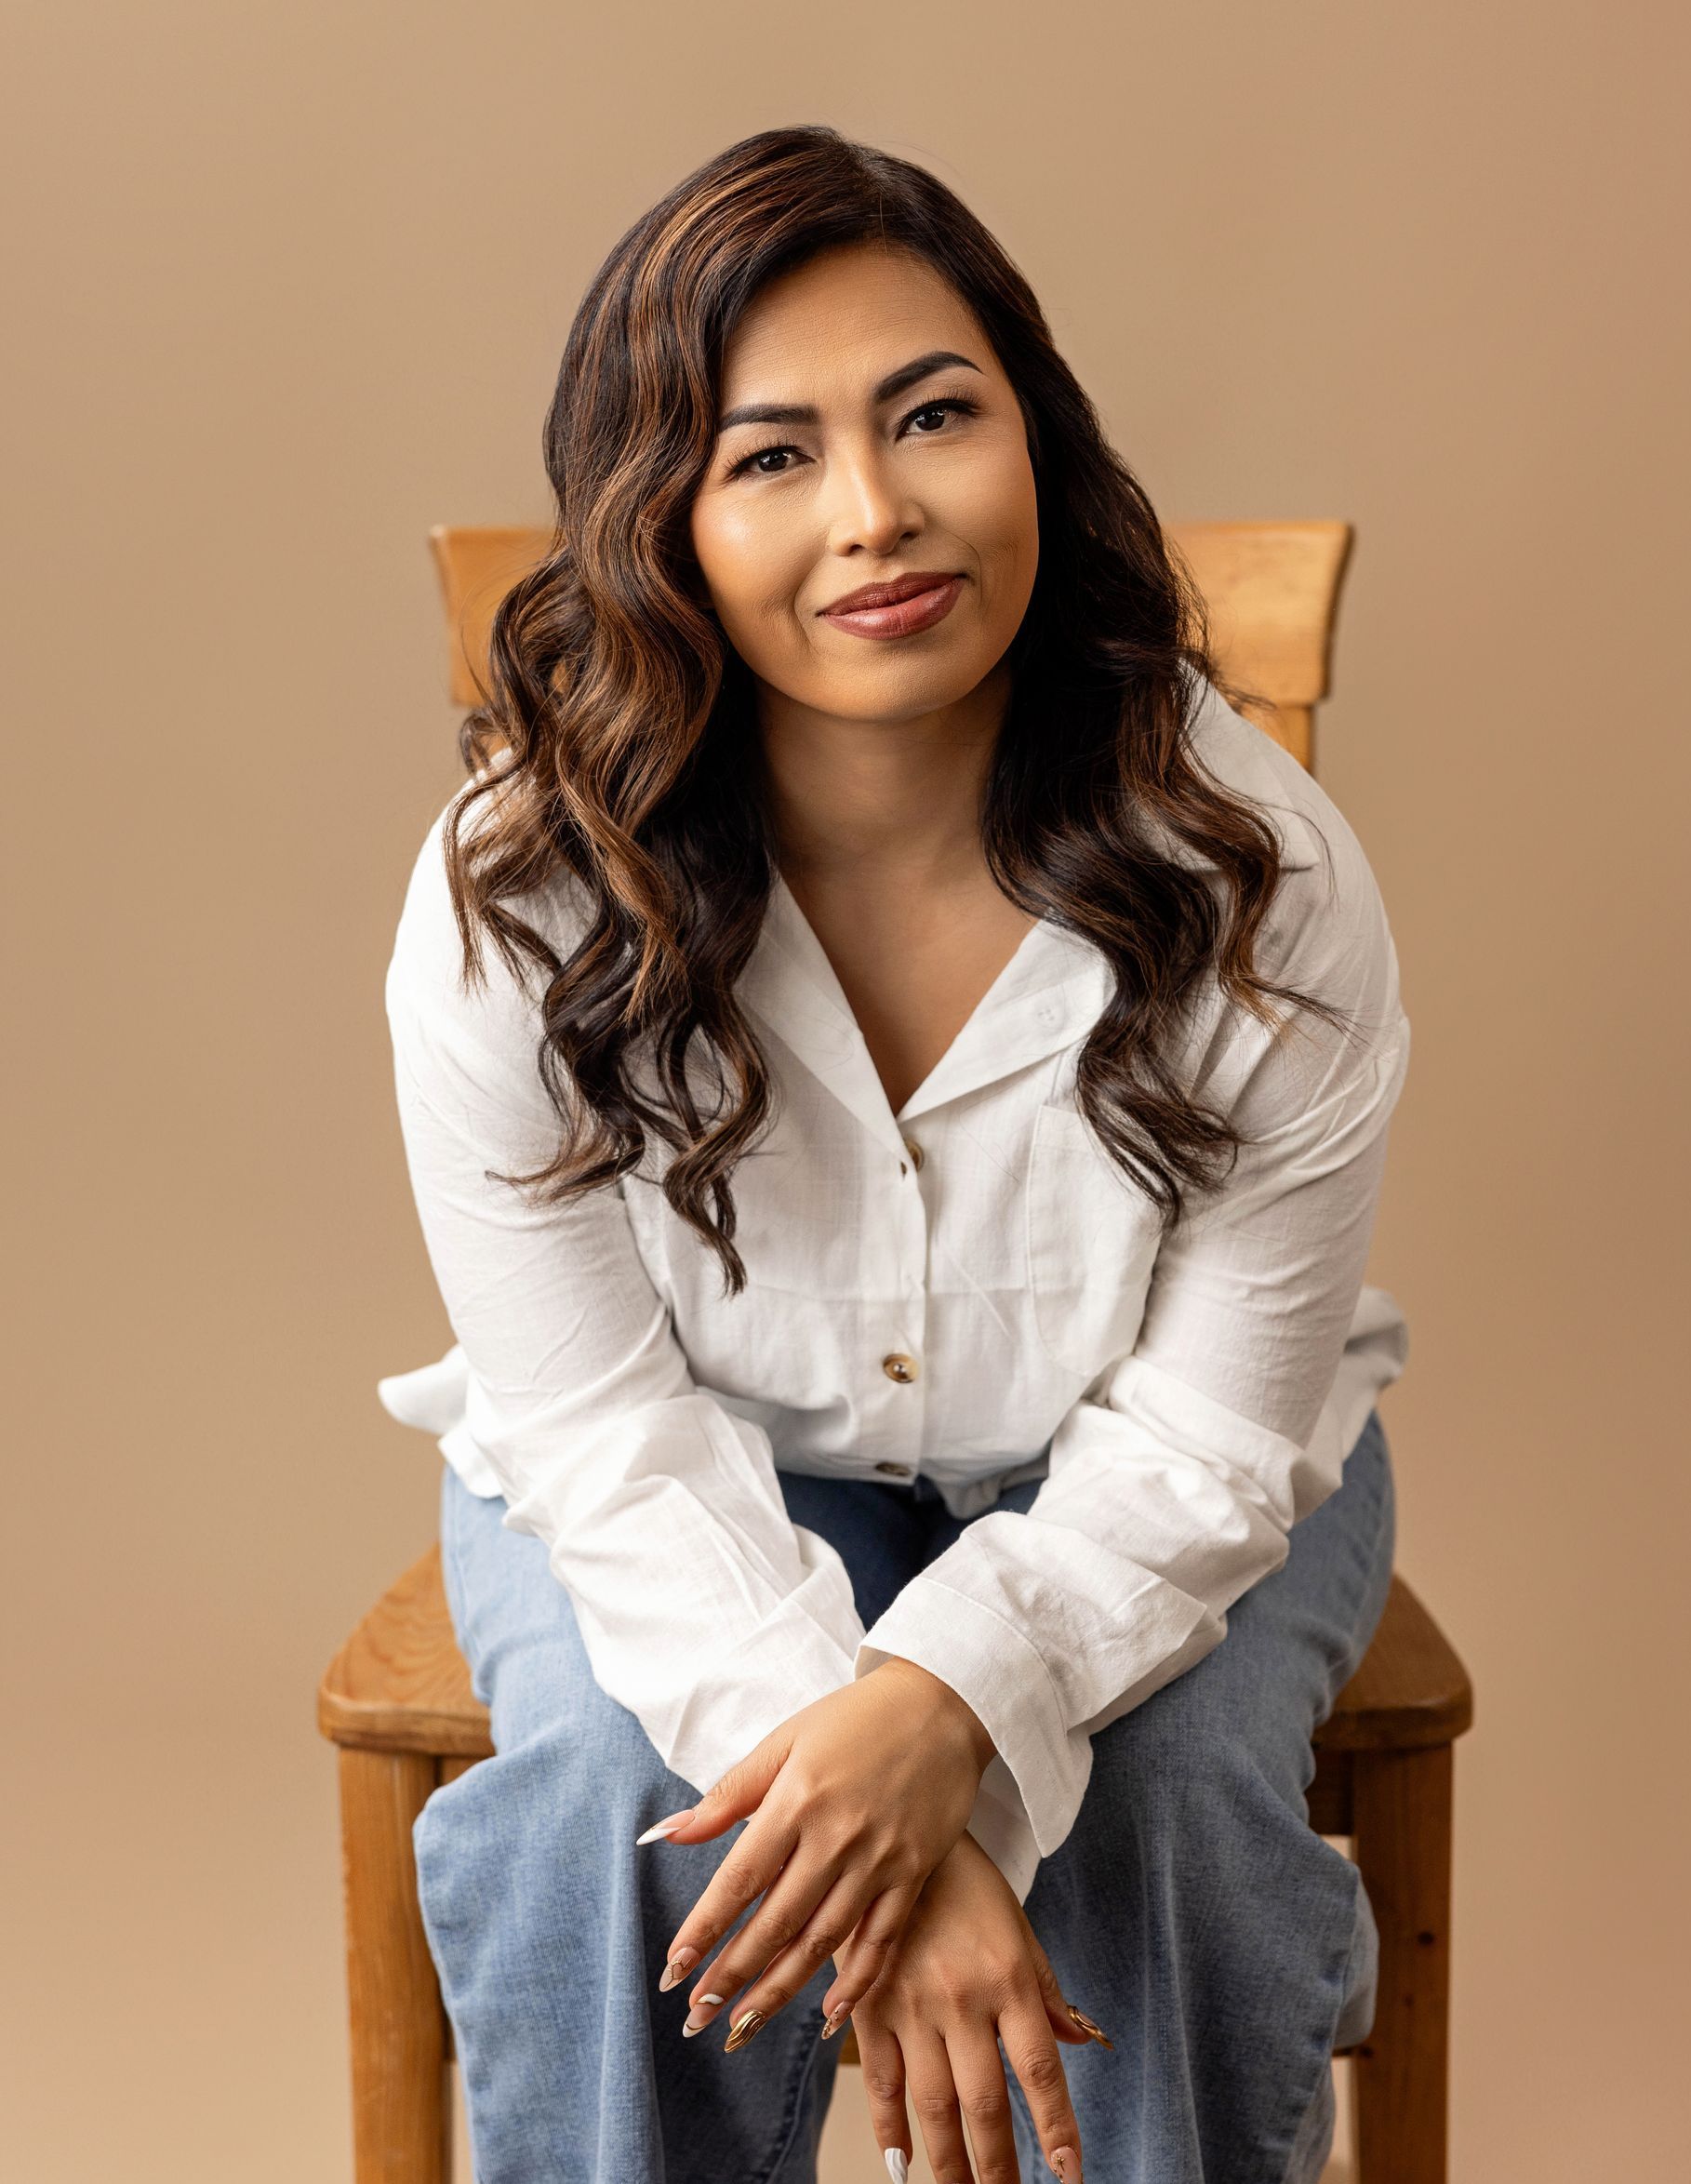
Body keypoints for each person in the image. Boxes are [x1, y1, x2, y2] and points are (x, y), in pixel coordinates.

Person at [375, 124, 1410, 2184]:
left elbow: (1210, 1440)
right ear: (658, 520)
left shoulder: (1260, 867)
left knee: (1182, 1800)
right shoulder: (524, 897)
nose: (876, 514)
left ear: (1037, 435)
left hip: (1152, 1462)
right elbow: (598, 1434)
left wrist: (946, 1713)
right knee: (606, 1807)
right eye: (771, 457)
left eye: (935, 414)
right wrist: (885, 1826)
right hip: (690, 1462)